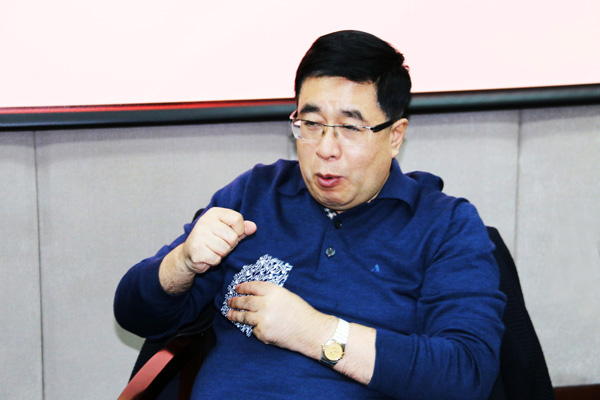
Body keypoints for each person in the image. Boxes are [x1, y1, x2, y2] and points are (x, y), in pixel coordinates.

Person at [114, 30, 506, 399]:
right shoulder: (255, 194)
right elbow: (136, 316)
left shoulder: (444, 225)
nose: (325, 149)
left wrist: (315, 333)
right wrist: (181, 263)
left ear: (395, 136)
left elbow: (467, 373)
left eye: (350, 128)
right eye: (312, 124)